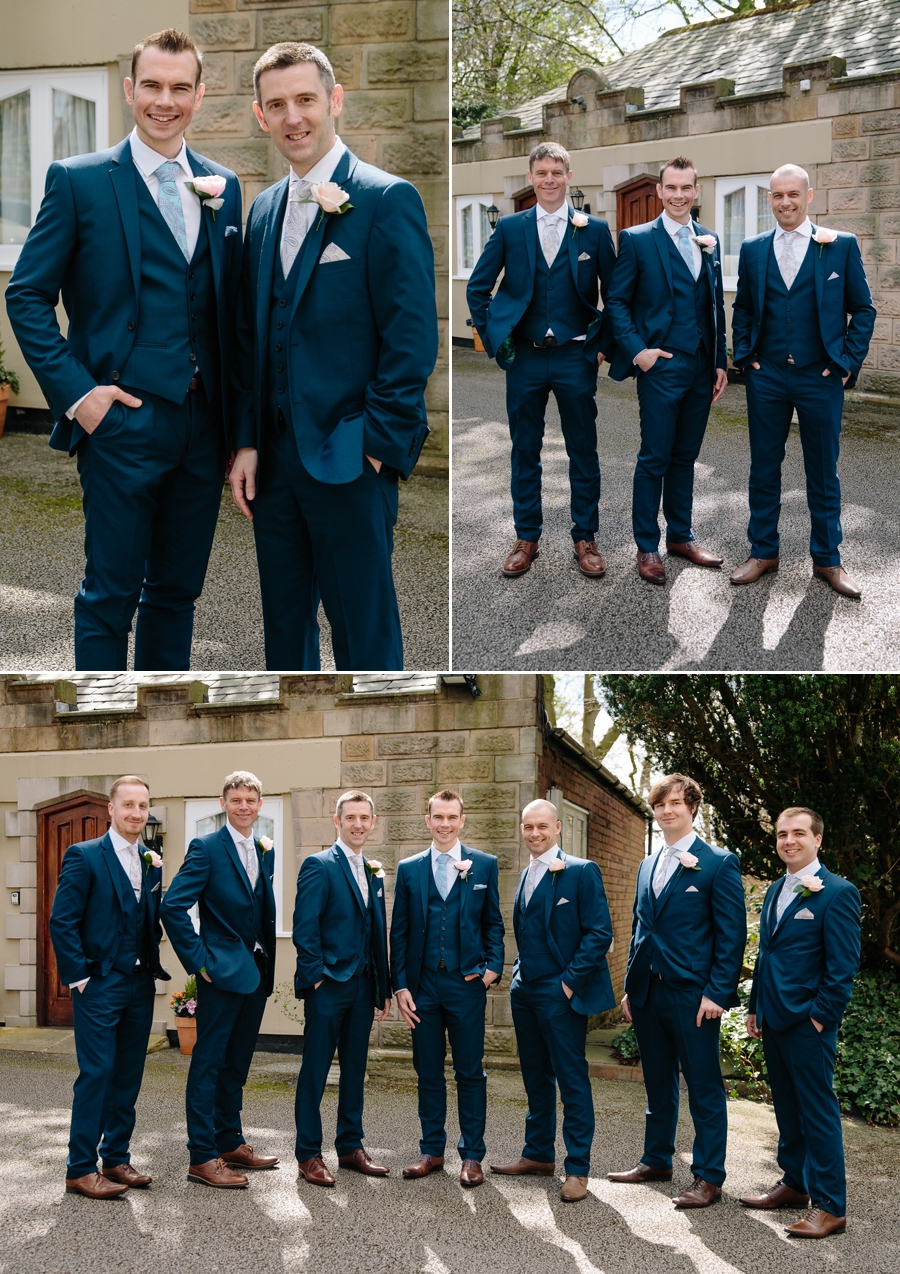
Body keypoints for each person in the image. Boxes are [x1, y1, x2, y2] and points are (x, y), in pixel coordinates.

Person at [5, 29, 242, 670]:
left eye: (180, 88)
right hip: (120, 421)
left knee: (176, 594)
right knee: (109, 596)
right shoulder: (78, 182)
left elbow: (229, 315)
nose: (165, 101)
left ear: (199, 94)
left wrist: (237, 428)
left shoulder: (224, 186)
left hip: (202, 428)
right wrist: (80, 397)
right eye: (153, 86)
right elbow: (26, 295)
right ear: (129, 88)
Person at [229, 42, 438, 671]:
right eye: (277, 105)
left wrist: (376, 444)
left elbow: (411, 338)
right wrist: (245, 443)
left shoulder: (384, 199)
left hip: (352, 457)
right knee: (284, 636)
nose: (293, 117)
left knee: (364, 634)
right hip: (273, 465)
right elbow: (250, 339)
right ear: (261, 116)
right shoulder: (262, 210)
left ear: (335, 101)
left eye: (305, 100)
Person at [465, 141, 617, 579]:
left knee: (583, 451)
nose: (549, 179)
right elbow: (478, 287)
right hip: (526, 359)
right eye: (541, 172)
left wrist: (601, 344)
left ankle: (585, 537)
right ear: (531, 178)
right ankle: (526, 536)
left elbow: (617, 292)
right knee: (524, 450)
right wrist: (497, 338)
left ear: (570, 177)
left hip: (576, 357)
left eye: (557, 172)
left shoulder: (592, 229)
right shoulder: (511, 228)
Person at [730, 164, 876, 597]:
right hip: (768, 376)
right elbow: (744, 310)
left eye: (793, 194)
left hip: (821, 375)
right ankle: (763, 552)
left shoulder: (840, 246)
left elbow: (863, 309)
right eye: (777, 195)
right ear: (769, 199)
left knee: (823, 471)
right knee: (763, 467)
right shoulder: (754, 249)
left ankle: (828, 560)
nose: (785, 202)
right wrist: (746, 358)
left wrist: (847, 361)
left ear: (808, 196)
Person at [609, 773, 745, 1207]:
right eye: (660, 805)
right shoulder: (647, 864)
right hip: (648, 993)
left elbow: (731, 935)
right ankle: (656, 1159)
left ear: (692, 809)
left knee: (704, 1087)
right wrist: (632, 987)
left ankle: (708, 1177)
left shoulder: (718, 862)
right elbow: (639, 929)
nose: (667, 811)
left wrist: (717, 992)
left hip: (694, 996)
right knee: (657, 1083)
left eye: (675, 804)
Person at [607, 157, 728, 585]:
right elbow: (617, 302)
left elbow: (715, 304)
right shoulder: (637, 239)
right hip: (660, 366)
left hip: (700, 367)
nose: (679, 195)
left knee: (685, 456)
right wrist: (639, 351)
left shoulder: (709, 238)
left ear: (696, 192)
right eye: (671, 187)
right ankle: (647, 545)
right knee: (654, 456)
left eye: (686, 188)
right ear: (660, 191)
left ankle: (681, 535)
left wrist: (719, 361)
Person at [742, 807, 860, 1238]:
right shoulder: (775, 890)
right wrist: (755, 1006)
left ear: (817, 840)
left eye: (798, 834)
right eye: (781, 834)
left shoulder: (838, 892)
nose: (788, 841)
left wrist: (820, 1018)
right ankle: (795, 1183)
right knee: (788, 1109)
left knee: (818, 1112)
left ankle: (830, 1206)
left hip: (808, 1023)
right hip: (773, 1018)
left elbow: (842, 966)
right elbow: (766, 955)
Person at [49, 776, 169, 1198]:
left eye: (143, 806)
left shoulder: (152, 858)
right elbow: (61, 921)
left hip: (139, 983)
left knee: (128, 1073)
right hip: (98, 985)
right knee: (97, 1072)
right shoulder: (83, 855)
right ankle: (80, 1168)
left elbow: (148, 919)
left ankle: (116, 1158)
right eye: (129, 805)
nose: (137, 813)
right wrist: (80, 978)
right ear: (112, 810)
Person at [491, 799, 615, 1203]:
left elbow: (599, 933)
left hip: (560, 992)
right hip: (525, 991)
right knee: (535, 1076)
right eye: (528, 826)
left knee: (571, 1078)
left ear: (558, 827)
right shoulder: (526, 873)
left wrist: (568, 984)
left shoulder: (581, 871)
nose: (535, 833)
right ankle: (538, 1154)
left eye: (542, 826)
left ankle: (577, 1168)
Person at [161, 771, 278, 1188]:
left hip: (254, 974)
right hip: (219, 974)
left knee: (237, 1063)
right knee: (208, 1064)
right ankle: (201, 1156)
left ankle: (230, 1142)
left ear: (259, 805)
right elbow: (173, 906)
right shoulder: (206, 848)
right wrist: (198, 961)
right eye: (236, 800)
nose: (243, 806)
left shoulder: (266, 850)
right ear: (224, 804)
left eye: (250, 799)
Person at [390, 790, 504, 1187]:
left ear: (462, 819)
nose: (444, 824)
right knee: (427, 1071)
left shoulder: (484, 865)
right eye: (437, 816)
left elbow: (494, 924)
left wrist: (491, 970)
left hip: (466, 984)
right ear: (427, 820)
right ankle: (431, 1150)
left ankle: (472, 1155)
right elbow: (399, 933)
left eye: (451, 817)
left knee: (470, 1071)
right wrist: (400, 985)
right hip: (422, 987)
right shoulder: (408, 869)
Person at [292, 791, 392, 1186]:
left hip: (364, 988)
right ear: (337, 821)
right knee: (315, 1070)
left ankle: (350, 1146)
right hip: (328, 986)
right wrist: (316, 977)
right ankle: (308, 1153)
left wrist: (383, 987)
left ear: (372, 822)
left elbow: (376, 933)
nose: (358, 824)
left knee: (355, 1069)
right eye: (350, 817)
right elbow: (305, 927)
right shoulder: (318, 865)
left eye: (365, 818)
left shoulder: (372, 870)